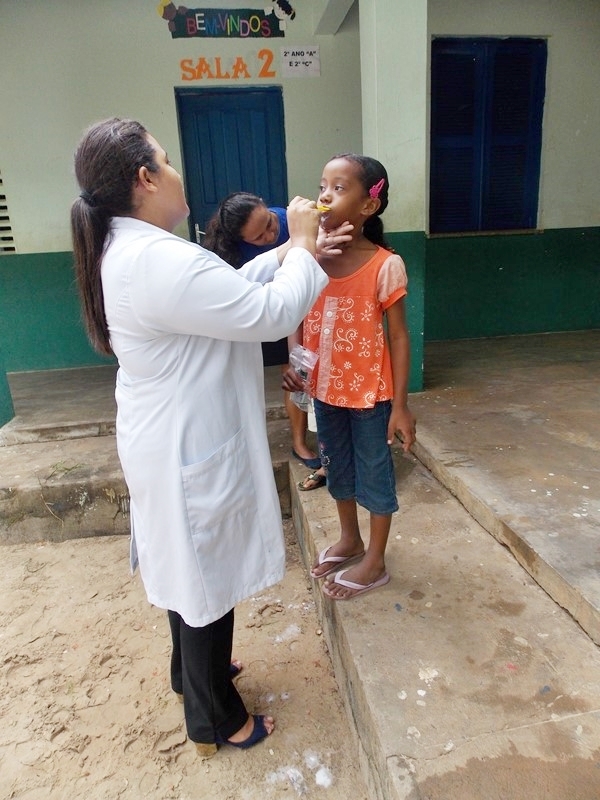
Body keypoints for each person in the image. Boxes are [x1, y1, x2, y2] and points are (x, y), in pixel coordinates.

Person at [70, 117, 331, 757]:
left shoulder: (136, 251)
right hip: (184, 440)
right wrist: (298, 244)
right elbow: (267, 313)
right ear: (145, 177)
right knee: (202, 571)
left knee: (187, 565)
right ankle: (216, 718)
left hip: (166, 433)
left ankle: (191, 677)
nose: (177, 170)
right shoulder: (154, 257)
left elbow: (225, 292)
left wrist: (297, 255)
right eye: (166, 157)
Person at [284, 153, 417, 599]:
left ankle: (375, 560)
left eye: (340, 188)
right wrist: (297, 365)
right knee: (335, 465)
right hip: (325, 389)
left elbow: (398, 338)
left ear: (368, 206)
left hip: (370, 396)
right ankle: (350, 539)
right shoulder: (311, 259)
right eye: (323, 184)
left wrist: (400, 406)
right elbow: (296, 314)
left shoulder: (384, 265)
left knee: (375, 474)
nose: (324, 195)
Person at [203, 193, 322, 472]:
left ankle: (299, 442)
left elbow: (298, 291)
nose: (270, 235)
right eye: (258, 238)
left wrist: (295, 350)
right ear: (241, 241)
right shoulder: (227, 252)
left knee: (292, 375)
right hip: (252, 314)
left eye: (270, 223)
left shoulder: (291, 220)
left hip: (293, 307)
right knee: (243, 375)